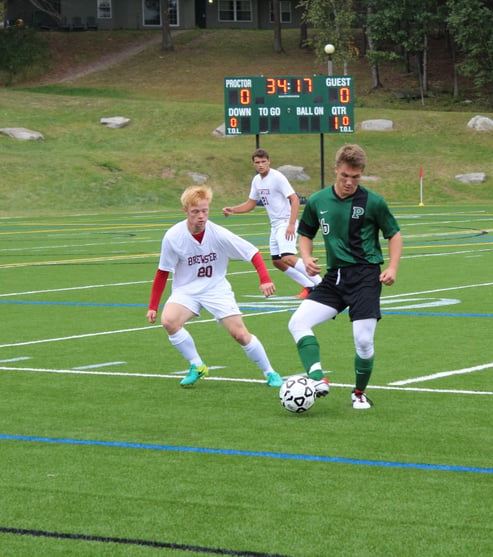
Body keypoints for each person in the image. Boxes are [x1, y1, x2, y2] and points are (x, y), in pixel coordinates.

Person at [287, 144, 402, 410]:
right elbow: (306, 233)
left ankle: (359, 392)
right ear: (336, 169)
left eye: (356, 177)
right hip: (335, 277)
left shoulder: (373, 201)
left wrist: (393, 267)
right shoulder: (317, 201)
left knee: (363, 341)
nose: (350, 182)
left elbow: (394, 234)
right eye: (345, 176)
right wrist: (305, 257)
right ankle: (317, 378)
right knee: (297, 323)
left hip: (365, 277)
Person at [146, 185, 284, 388]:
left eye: (205, 211)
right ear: (186, 211)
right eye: (195, 212)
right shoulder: (173, 236)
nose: (201, 216)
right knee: (169, 321)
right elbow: (162, 271)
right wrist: (153, 306)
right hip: (187, 290)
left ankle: (270, 372)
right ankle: (197, 365)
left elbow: (252, 252)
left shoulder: (219, 234)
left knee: (240, 334)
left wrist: (265, 279)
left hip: (216, 288)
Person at [223, 149, 321, 298]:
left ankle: (322, 285)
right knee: (277, 262)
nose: (261, 165)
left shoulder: (277, 177)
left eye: (263, 162)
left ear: (269, 161)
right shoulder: (256, 180)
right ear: (253, 164)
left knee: (288, 257)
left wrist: (291, 224)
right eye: (257, 162)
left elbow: (294, 199)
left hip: (285, 223)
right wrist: (233, 210)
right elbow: (251, 203)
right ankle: (309, 286)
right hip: (275, 226)